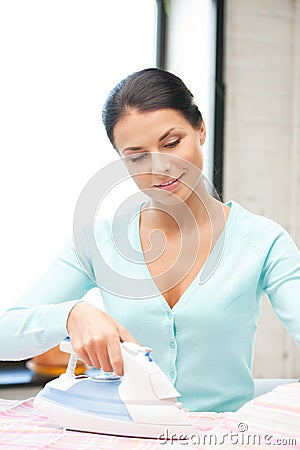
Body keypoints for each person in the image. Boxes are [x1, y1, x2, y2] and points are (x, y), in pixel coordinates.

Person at [0, 68, 299, 413]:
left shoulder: (263, 242)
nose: (160, 166)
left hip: (223, 437)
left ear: (200, 128)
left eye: (172, 143)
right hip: (120, 433)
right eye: (137, 156)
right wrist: (71, 314)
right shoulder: (98, 242)